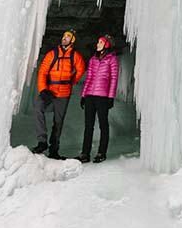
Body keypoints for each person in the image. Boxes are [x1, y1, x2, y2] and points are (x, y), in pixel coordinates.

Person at [32, 29, 86, 159]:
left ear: (72, 41)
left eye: (67, 37)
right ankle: (42, 141)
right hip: (49, 91)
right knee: (38, 107)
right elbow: (42, 72)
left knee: (58, 122)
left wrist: (72, 80)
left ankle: (54, 149)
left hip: (63, 94)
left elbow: (81, 68)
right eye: (64, 36)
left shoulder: (75, 56)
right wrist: (43, 89)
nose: (64, 38)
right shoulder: (52, 54)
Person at [76, 35, 118, 163]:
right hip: (90, 96)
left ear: (106, 45)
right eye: (98, 41)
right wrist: (83, 95)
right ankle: (85, 153)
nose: (97, 44)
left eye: (100, 42)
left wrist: (110, 97)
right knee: (88, 126)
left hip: (102, 97)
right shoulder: (93, 59)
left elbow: (113, 79)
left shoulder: (112, 59)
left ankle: (101, 152)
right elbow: (88, 78)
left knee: (103, 125)